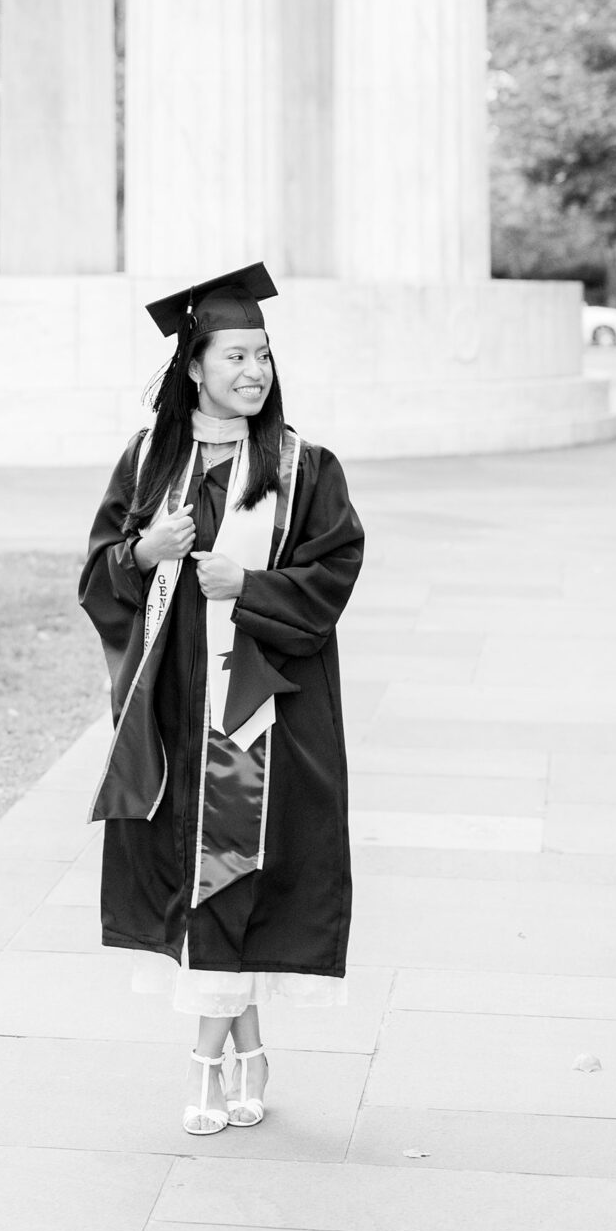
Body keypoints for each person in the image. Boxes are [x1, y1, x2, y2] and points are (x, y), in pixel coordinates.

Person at [78, 264, 363, 1135]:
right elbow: (97, 577)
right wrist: (143, 551)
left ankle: (208, 1060)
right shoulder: (146, 459)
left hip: (258, 707)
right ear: (193, 365)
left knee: (236, 871)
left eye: (263, 357)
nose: (254, 372)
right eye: (235, 355)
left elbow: (336, 566)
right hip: (172, 709)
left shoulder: (299, 464)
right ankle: (246, 1050)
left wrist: (251, 584)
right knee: (202, 873)